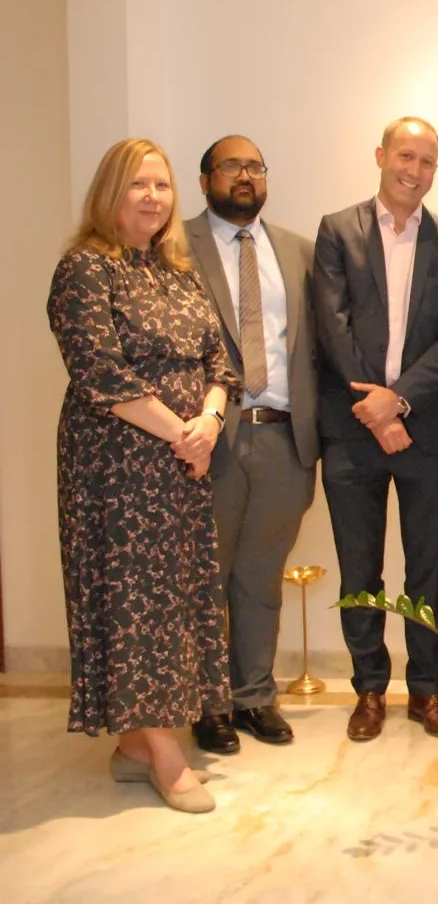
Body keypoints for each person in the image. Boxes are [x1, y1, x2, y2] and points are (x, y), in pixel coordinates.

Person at [48, 138, 237, 814]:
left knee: (175, 602)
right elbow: (101, 374)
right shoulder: (84, 269)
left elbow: (221, 362)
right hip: (115, 470)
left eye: (161, 185)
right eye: (137, 184)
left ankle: (135, 744)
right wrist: (183, 434)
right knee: (132, 605)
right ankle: (165, 755)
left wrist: (209, 422)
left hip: (183, 467)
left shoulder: (177, 272)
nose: (152, 197)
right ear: (110, 192)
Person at [313, 117, 438, 742]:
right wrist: (375, 410)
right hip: (352, 430)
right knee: (359, 568)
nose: (415, 170)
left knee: (426, 570)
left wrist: (399, 402)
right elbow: (332, 326)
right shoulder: (338, 230)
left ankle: (428, 690)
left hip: (425, 432)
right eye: (405, 156)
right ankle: (369, 689)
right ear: (381, 155)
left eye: (427, 161)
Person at [185, 135, 318, 754]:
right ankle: (207, 704)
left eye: (255, 167)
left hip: (283, 438)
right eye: (232, 166)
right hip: (209, 437)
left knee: (261, 576)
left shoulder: (297, 250)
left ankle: (255, 697)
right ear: (205, 178)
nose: (245, 176)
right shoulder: (173, 246)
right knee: (204, 576)